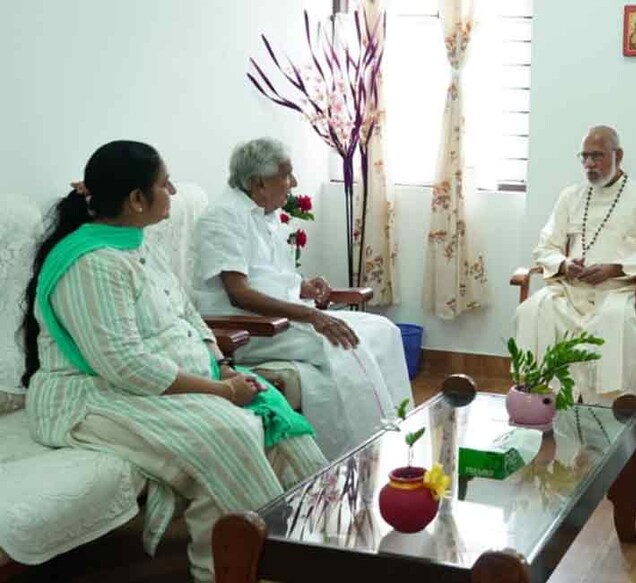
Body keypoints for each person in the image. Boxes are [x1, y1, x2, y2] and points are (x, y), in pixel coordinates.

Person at [20, 141, 327, 582]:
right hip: (88, 398)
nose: (174, 192)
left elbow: (187, 313)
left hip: (156, 385)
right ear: (136, 200)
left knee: (273, 419)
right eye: (165, 184)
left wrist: (222, 367)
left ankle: (318, 549)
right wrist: (221, 392)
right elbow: (124, 366)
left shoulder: (135, 244)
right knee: (228, 434)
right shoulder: (92, 264)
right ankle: (234, 572)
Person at [192, 138, 411, 459]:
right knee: (348, 343)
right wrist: (311, 316)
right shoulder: (223, 218)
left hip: (286, 321)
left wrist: (305, 287)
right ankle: (364, 452)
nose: (293, 184)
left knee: (383, 330)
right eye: (285, 175)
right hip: (248, 330)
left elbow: (270, 276)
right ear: (257, 183)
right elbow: (239, 294)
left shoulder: (266, 215)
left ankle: (397, 432)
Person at [514, 125, 636, 405]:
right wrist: (564, 264)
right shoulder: (569, 196)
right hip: (570, 290)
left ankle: (608, 410)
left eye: (597, 156)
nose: (589, 164)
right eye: (584, 157)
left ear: (618, 156)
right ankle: (540, 400)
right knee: (533, 311)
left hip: (618, 292)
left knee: (615, 321)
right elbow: (545, 247)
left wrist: (616, 268)